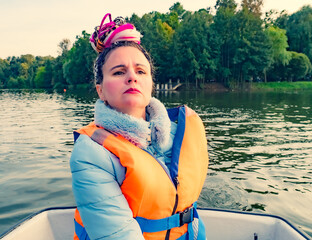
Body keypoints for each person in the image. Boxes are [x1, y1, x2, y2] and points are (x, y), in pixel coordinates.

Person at [70, 13, 209, 240]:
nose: (132, 77)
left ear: (151, 83)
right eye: (118, 72)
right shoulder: (91, 152)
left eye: (141, 71)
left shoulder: (178, 131)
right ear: (100, 90)